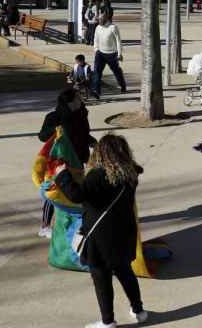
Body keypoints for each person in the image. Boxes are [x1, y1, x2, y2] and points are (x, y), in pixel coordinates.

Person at [53, 133, 148, 328]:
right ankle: (139, 311)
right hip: (124, 234)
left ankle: (107, 322)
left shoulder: (97, 176)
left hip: (100, 239)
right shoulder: (131, 174)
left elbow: (76, 195)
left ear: (101, 154)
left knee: (102, 279)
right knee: (125, 272)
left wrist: (62, 174)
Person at [37, 88, 95, 238]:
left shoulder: (81, 114)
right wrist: (56, 129)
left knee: (76, 191)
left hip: (79, 158)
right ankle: (45, 226)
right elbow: (43, 136)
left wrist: (94, 143)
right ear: (70, 102)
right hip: (60, 162)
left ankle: (76, 219)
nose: (81, 100)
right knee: (54, 192)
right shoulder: (54, 117)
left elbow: (83, 134)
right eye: (78, 98)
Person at [92, 14, 126, 98]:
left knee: (116, 71)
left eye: (100, 19)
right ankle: (97, 90)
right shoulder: (98, 27)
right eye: (98, 19)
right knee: (97, 72)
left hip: (112, 54)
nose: (99, 21)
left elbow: (118, 41)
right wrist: (96, 50)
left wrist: (119, 54)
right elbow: (95, 39)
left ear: (105, 19)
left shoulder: (113, 27)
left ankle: (122, 86)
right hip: (100, 54)